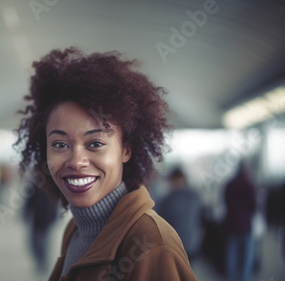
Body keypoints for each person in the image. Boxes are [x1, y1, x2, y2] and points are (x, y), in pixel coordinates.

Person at [15, 47, 197, 280]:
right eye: (60, 144)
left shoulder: (151, 244)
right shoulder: (76, 229)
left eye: (95, 143)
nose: (76, 161)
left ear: (126, 149)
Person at [158, 167, 202, 262]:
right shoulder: (195, 196)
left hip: (174, 245)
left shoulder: (167, 200)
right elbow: (200, 218)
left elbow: (161, 223)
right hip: (192, 242)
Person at [224, 162, 256, 281]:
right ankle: (244, 278)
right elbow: (253, 205)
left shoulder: (230, 184)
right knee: (247, 256)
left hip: (231, 224)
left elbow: (225, 202)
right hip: (245, 224)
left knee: (232, 254)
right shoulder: (249, 185)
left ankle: (231, 277)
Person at [24, 182, 58, 274]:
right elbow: (29, 201)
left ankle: (43, 262)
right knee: (35, 242)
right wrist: (25, 214)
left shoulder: (53, 185)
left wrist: (56, 215)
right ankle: (40, 261)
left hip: (47, 217)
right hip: (38, 218)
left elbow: (57, 201)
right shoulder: (34, 185)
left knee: (43, 242)